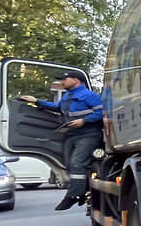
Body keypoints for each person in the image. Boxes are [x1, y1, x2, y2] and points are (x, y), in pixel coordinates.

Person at [20, 71, 104, 211]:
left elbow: (102, 112)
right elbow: (57, 108)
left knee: (77, 164)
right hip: (71, 135)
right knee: (69, 165)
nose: (62, 82)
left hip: (88, 134)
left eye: (64, 79)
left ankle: (73, 196)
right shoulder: (67, 97)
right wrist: (36, 101)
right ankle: (82, 190)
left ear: (76, 80)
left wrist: (84, 121)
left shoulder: (90, 96)